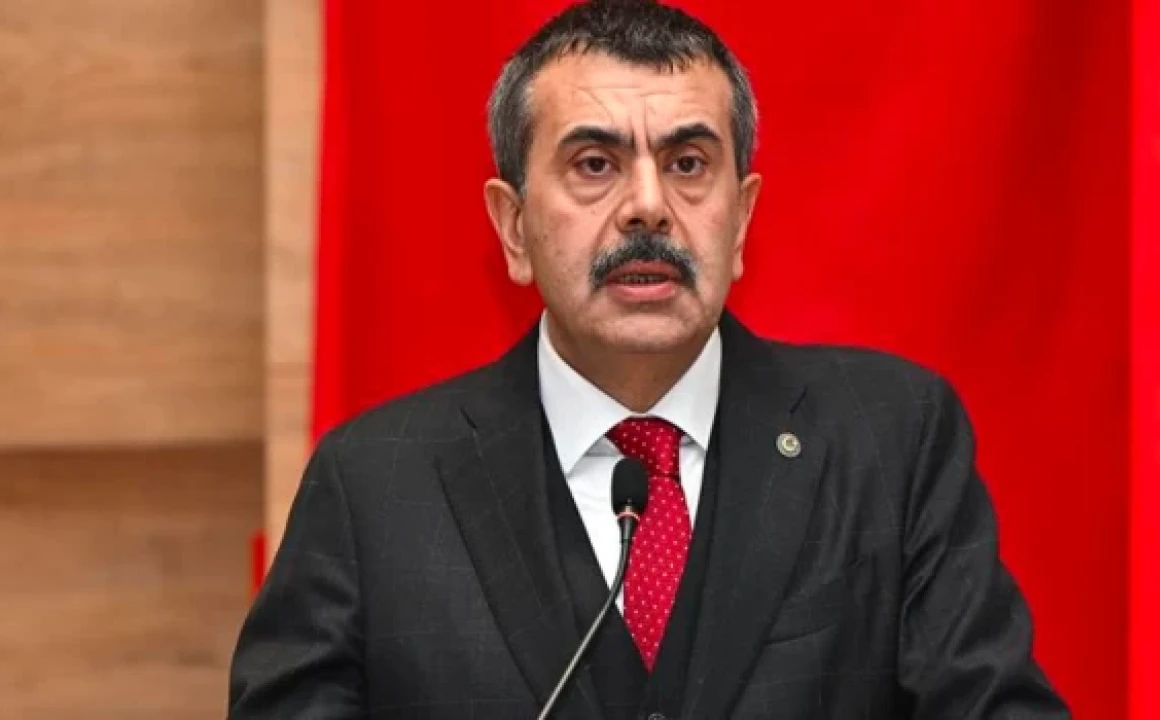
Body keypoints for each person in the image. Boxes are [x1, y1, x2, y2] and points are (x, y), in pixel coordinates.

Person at [228, 1, 1069, 717]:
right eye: (594, 164)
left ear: (741, 220)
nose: (647, 206)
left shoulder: (890, 442)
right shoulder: (373, 486)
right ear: (514, 227)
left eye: (687, 164)